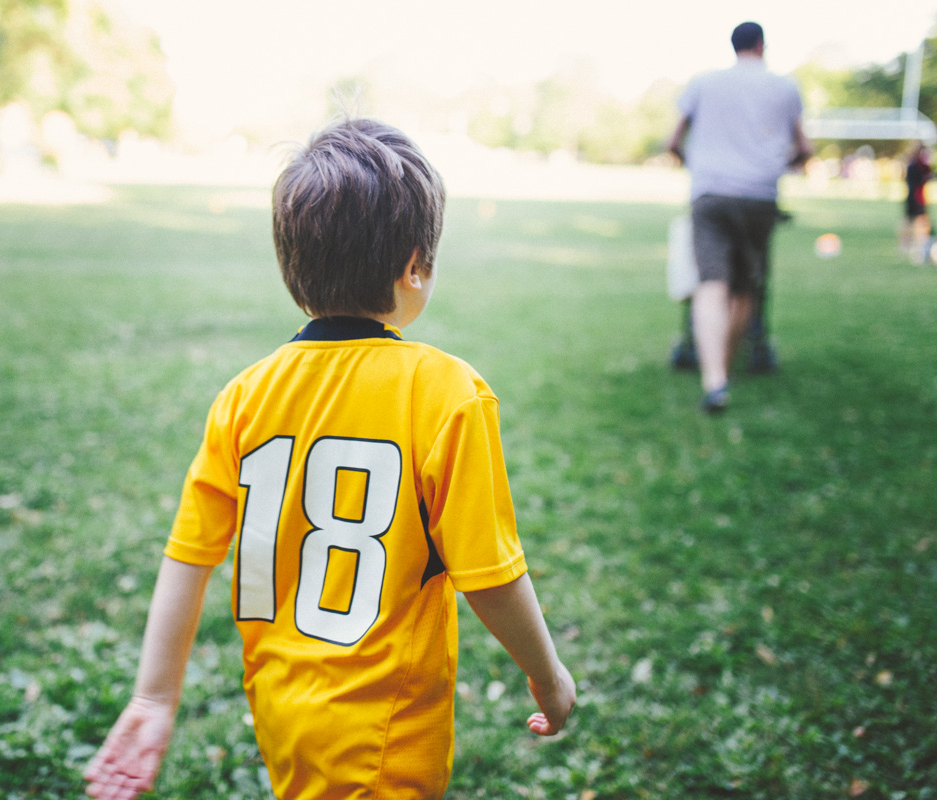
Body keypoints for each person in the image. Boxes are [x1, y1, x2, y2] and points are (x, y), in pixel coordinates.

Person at [82, 118, 576, 800]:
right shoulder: (447, 392)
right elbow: (487, 574)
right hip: (384, 729)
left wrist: (155, 697)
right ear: (414, 265)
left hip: (281, 710)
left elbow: (189, 557)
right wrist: (549, 678)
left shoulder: (244, 397)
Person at [667, 21, 812, 413]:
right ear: (762, 45)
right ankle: (724, 370)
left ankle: (714, 379)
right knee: (745, 288)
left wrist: (693, 163)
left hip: (711, 193)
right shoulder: (785, 86)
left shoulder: (704, 82)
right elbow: (804, 147)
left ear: (733, 46)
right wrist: (785, 163)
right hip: (760, 197)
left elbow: (673, 141)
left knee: (711, 285)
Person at [901, 144, 932, 264]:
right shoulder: (919, 165)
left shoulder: (911, 164)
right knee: (921, 224)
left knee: (908, 222)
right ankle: (919, 250)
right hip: (917, 198)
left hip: (911, 197)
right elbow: (924, 177)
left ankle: (905, 247)